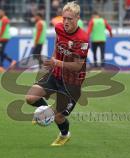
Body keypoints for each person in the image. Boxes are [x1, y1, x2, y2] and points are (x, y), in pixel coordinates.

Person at [25, 1, 89, 146]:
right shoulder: (59, 28)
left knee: (58, 116)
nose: (65, 22)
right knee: (30, 97)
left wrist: (57, 63)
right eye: (64, 18)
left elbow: (78, 66)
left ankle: (64, 134)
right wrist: (53, 62)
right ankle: (45, 112)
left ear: (77, 18)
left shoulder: (82, 39)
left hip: (72, 83)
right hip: (56, 74)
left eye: (70, 19)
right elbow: (57, 44)